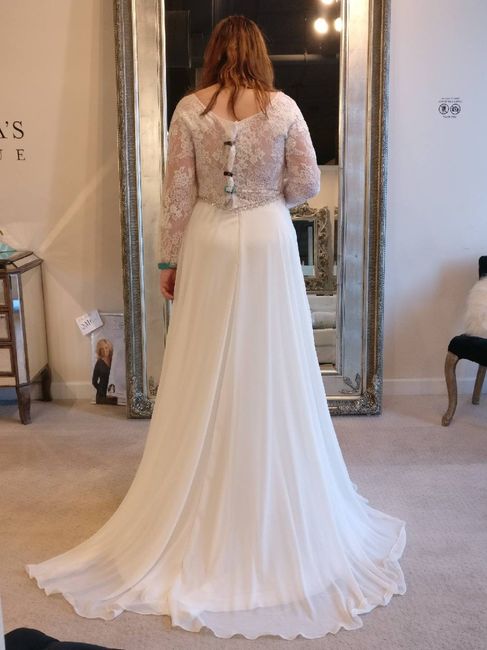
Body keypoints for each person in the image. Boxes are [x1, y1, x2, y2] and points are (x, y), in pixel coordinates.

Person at [25, 15, 406, 640]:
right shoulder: (283, 107)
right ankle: (263, 477)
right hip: (266, 241)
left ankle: (200, 479)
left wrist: (169, 262)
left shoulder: (189, 109)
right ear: (259, 52)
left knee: (203, 362)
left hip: (208, 241)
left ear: (214, 53)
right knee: (268, 361)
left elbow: (178, 191)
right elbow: (308, 181)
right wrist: (269, 196)